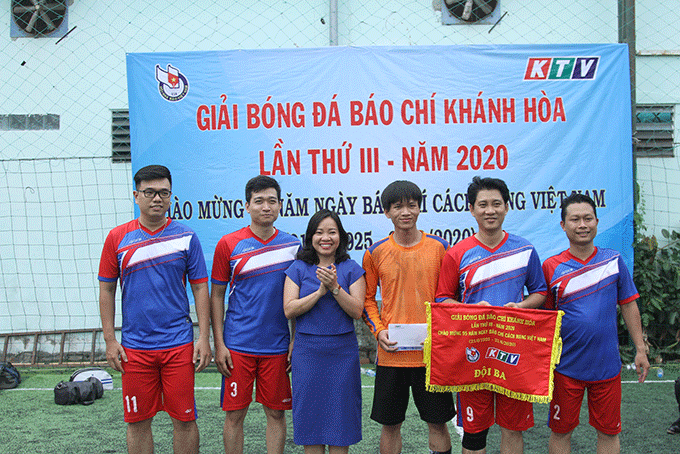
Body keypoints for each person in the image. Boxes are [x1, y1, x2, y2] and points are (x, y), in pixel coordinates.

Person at [98, 164, 212, 454]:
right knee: (138, 422)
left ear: (171, 196)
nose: (157, 198)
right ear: (136, 196)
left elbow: (200, 287)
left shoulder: (186, 237)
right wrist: (111, 340)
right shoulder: (117, 238)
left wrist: (203, 337)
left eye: (164, 193)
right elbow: (107, 289)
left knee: (184, 419)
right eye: (150, 192)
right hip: (135, 348)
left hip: (178, 344)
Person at [435, 176, 546, 454]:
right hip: (473, 354)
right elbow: (442, 299)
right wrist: (472, 311)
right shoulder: (457, 253)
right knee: (474, 433)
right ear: (471, 209)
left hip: (514, 351)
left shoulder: (525, 249)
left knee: (512, 428)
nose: (490, 210)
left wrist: (520, 308)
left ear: (507, 207)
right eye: (482, 204)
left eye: (496, 203)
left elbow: (540, 292)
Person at [542, 193, 649, 454]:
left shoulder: (613, 262)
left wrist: (641, 349)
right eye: (575, 219)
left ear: (597, 222)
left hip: (607, 367)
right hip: (565, 367)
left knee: (608, 432)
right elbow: (544, 319)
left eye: (588, 218)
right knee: (561, 431)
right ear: (563, 225)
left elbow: (628, 305)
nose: (582, 225)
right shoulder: (551, 267)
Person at [362, 180, 456, 454]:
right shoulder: (375, 252)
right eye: (398, 206)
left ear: (419, 209)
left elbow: (450, 295)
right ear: (386, 212)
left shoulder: (440, 248)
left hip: (432, 354)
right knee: (390, 425)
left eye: (411, 205)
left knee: (437, 423)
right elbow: (367, 299)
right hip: (392, 354)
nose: (406, 211)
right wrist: (379, 332)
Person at [210, 175, 299, 454]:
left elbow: (294, 301)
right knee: (235, 415)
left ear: (280, 205)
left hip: (277, 346)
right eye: (258, 201)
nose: (265, 207)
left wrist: (294, 340)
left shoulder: (293, 246)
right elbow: (216, 296)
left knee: (276, 413)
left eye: (272, 201)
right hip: (238, 345)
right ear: (246, 206)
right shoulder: (228, 244)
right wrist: (220, 342)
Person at [283, 209, 366, 453]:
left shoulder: (351, 268)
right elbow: (289, 309)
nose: (325, 238)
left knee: (341, 424)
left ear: (341, 236)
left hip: (342, 353)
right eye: (319, 232)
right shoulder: (298, 268)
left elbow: (357, 311)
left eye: (332, 232)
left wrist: (336, 288)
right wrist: (320, 292)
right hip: (307, 353)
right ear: (310, 237)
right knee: (312, 424)